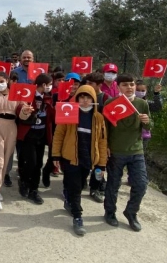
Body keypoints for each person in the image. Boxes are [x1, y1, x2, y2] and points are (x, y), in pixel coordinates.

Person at [51, 85, 108, 236]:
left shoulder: (98, 118)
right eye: (81, 97)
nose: (84, 101)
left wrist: (102, 163)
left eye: (88, 97)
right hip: (70, 158)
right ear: (76, 98)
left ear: (93, 99)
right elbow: (58, 135)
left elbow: (102, 142)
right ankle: (77, 216)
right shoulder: (68, 113)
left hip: (88, 159)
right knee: (75, 187)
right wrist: (55, 155)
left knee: (81, 184)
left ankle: (69, 202)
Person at [103, 74, 152, 232]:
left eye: (131, 84)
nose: (129, 87)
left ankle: (131, 212)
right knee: (113, 184)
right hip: (116, 151)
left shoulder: (142, 104)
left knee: (141, 184)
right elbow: (105, 128)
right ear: (118, 87)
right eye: (125, 85)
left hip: (136, 150)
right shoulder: (111, 103)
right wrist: (106, 146)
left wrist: (147, 122)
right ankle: (110, 212)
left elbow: (149, 127)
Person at [0, 72, 32, 211]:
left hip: (11, 127)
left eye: (2, 81)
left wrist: (26, 111)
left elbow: (22, 114)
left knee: (5, 160)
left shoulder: (16, 94)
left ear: (7, 81)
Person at [16, 74, 55, 205]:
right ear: (43, 85)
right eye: (49, 84)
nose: (51, 87)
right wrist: (25, 110)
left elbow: (53, 116)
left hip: (42, 135)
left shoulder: (49, 98)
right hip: (29, 134)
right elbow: (19, 109)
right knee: (31, 162)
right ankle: (24, 181)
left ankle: (34, 189)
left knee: (38, 163)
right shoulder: (29, 95)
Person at [81, 72, 109, 202]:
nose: (88, 86)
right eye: (87, 83)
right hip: (84, 137)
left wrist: (107, 143)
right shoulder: (82, 97)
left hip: (99, 138)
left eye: (91, 84)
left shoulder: (105, 99)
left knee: (99, 166)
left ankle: (95, 188)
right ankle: (81, 182)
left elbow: (109, 122)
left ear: (99, 85)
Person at [135, 80, 163, 152]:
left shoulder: (147, 103)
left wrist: (157, 94)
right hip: (132, 135)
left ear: (146, 90)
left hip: (144, 135)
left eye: (142, 90)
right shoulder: (129, 103)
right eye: (137, 90)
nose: (140, 92)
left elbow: (158, 107)